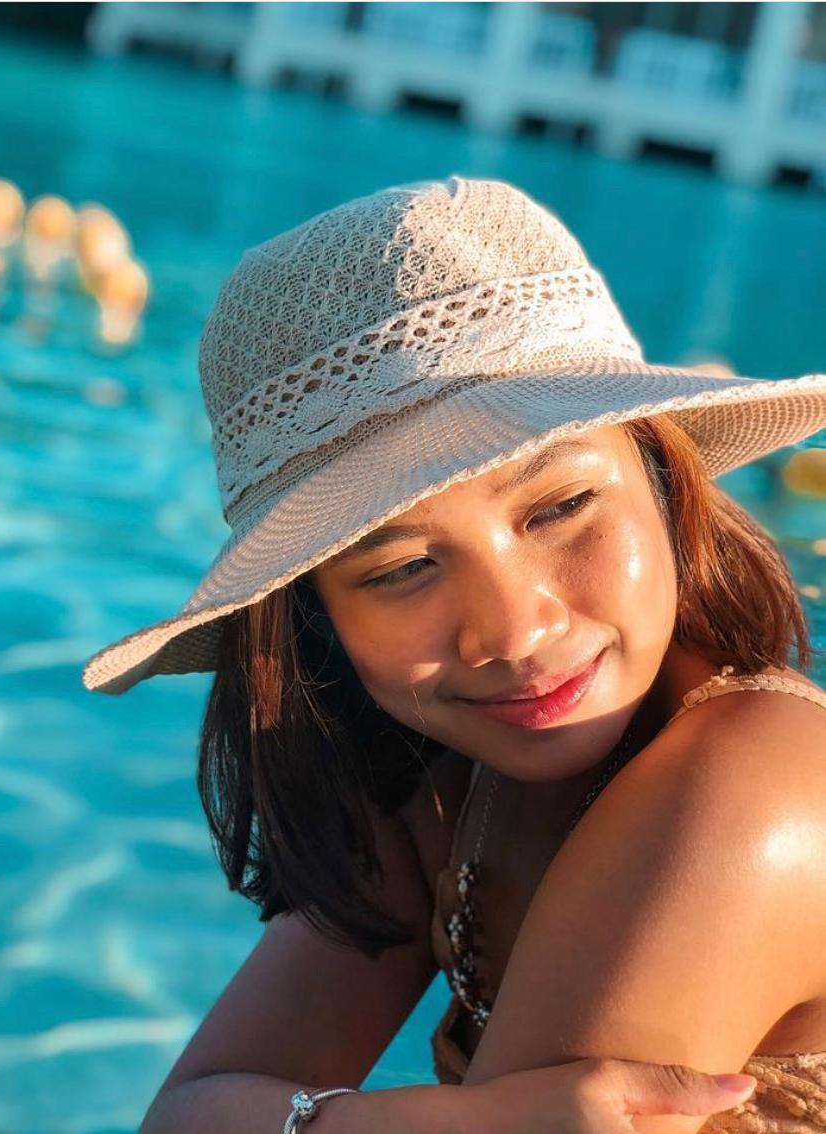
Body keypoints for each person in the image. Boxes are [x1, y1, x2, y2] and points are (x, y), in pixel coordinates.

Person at [82, 175, 826, 1133]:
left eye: (561, 508)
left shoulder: (755, 792)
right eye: (402, 570)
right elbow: (185, 1115)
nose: (512, 632)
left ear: (663, 478)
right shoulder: (450, 796)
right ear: (317, 623)